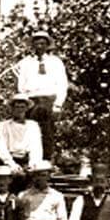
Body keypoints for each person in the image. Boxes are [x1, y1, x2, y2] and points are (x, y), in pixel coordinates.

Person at [15, 30, 69, 159]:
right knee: (29, 131)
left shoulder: (55, 62)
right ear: (33, 45)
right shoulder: (26, 62)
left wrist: (58, 104)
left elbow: (62, 84)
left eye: (43, 43)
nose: (40, 46)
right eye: (37, 43)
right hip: (31, 100)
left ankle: (46, 160)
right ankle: (30, 159)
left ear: (47, 45)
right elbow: (21, 84)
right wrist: (23, 102)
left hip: (48, 99)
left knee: (46, 132)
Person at [0, 95, 44, 170]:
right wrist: (11, 164)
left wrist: (32, 163)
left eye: (22, 107)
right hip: (9, 161)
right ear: (12, 109)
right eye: (17, 107)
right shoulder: (4, 125)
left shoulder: (33, 125)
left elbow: (36, 146)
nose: (20, 110)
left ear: (26, 109)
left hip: (26, 160)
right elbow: (2, 147)